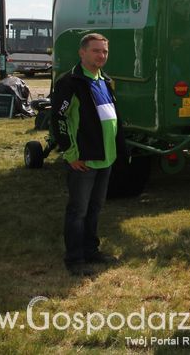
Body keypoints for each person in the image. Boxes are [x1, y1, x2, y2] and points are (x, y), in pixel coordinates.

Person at [52, 33, 126, 277]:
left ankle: (91, 250)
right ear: (82, 52)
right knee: (78, 210)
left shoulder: (104, 81)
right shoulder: (70, 82)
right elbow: (59, 119)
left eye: (104, 51)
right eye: (96, 51)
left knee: (95, 208)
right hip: (83, 159)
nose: (101, 55)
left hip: (105, 158)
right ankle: (74, 258)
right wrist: (71, 153)